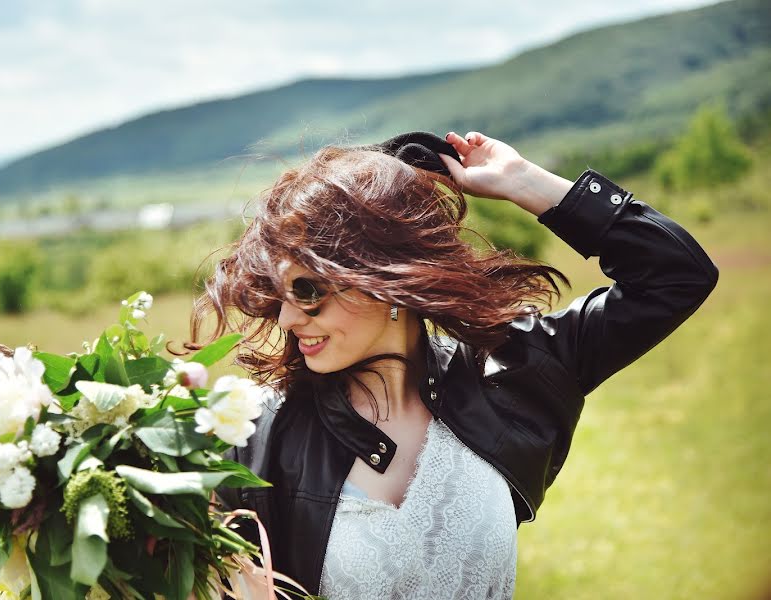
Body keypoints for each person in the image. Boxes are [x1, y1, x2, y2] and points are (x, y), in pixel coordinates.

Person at [191, 130, 719, 599]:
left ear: (383, 273)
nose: (286, 318)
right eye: (277, 294)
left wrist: (523, 182)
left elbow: (676, 274)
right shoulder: (254, 435)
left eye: (307, 289)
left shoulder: (516, 368)